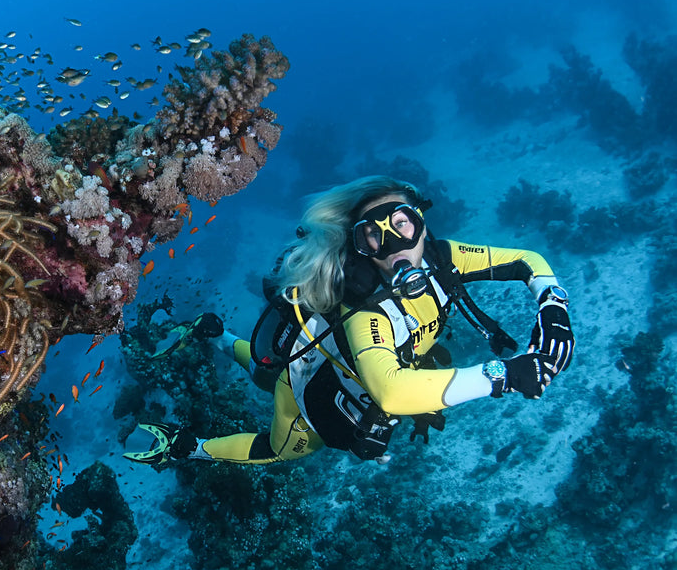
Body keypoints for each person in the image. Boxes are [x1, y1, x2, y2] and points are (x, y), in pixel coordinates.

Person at [124, 176, 574, 466]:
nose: (395, 245)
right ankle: (188, 447)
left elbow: (526, 260)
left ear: (421, 222)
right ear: (358, 248)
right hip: (310, 386)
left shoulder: (444, 256)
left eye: (402, 224)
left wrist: (552, 306)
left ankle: (216, 333)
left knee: (264, 370)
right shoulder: (366, 310)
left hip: (328, 358)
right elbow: (392, 391)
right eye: (373, 236)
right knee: (278, 448)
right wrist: (505, 374)